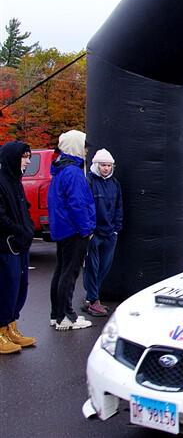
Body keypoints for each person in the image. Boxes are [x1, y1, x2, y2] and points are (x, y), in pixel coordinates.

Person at [48, 130, 96, 331]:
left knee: (61, 271)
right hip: (74, 230)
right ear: (77, 146)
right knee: (70, 272)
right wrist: (86, 229)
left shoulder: (60, 169)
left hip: (62, 228)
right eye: (84, 145)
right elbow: (78, 203)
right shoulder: (74, 172)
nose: (86, 150)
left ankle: (56, 315)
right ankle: (66, 316)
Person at [0, 141, 37, 352]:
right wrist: (18, 231)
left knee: (19, 286)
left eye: (29, 156)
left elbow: (24, 209)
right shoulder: (1, 181)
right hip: (6, 245)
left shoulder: (16, 181)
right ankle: (0, 329)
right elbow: (1, 216)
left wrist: (28, 228)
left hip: (20, 244)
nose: (28, 161)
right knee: (6, 286)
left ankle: (10, 325)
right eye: (24, 156)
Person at [82, 149, 123, 317]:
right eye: (103, 165)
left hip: (110, 232)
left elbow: (119, 206)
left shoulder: (115, 183)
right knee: (92, 267)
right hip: (95, 233)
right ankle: (92, 300)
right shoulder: (90, 181)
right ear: (96, 165)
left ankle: (92, 298)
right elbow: (86, 206)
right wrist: (90, 230)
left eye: (108, 165)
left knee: (104, 267)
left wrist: (116, 229)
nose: (106, 168)